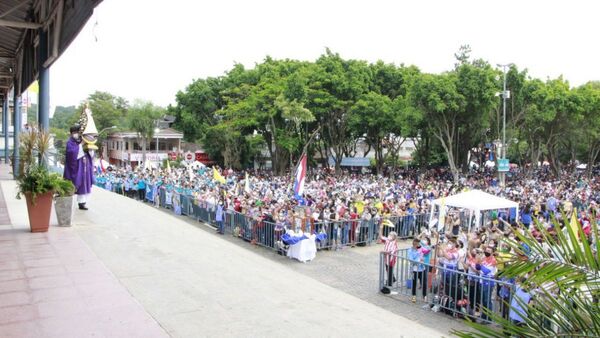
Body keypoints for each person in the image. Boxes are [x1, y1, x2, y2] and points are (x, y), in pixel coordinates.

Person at [63, 124, 95, 210]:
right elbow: (71, 154)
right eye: (74, 132)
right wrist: (81, 145)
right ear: (71, 133)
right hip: (77, 167)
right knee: (76, 183)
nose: (76, 134)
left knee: (84, 184)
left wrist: (90, 148)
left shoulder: (83, 140)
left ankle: (82, 203)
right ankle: (66, 201)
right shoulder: (70, 142)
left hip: (85, 166)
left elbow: (91, 154)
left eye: (78, 132)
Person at [408, 238, 427, 303]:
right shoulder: (410, 250)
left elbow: (428, 249)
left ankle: (424, 296)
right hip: (415, 270)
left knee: (424, 283)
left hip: (422, 269)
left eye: (419, 243)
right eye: (418, 243)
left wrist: (422, 243)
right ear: (415, 244)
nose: (419, 245)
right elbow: (411, 259)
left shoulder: (421, 248)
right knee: (414, 283)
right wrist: (419, 259)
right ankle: (414, 296)